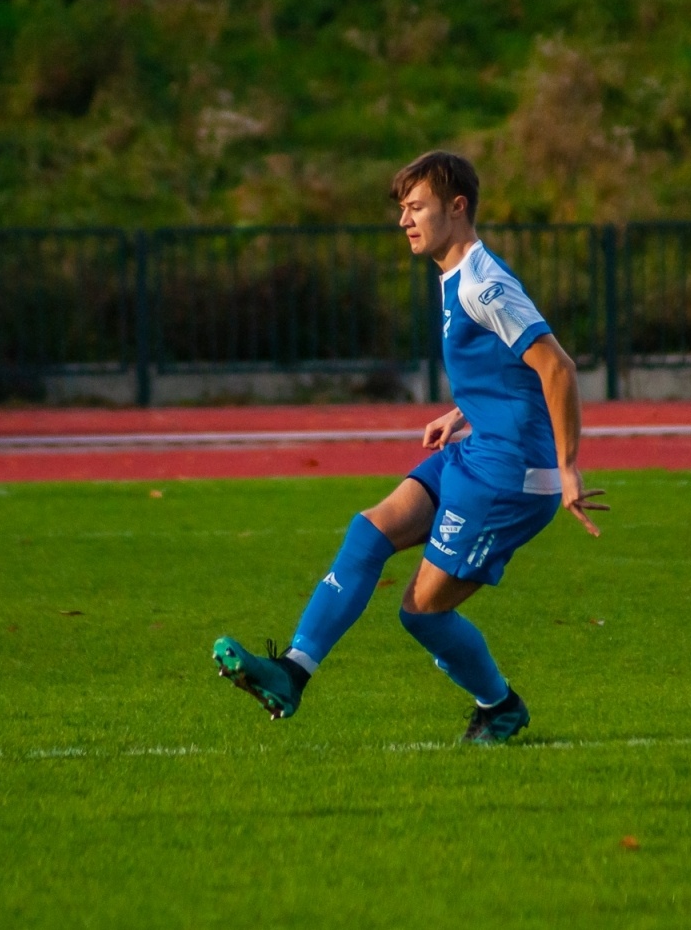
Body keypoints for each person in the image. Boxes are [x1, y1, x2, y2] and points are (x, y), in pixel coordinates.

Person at [212, 151, 607, 744]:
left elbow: (557, 367)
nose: (404, 220)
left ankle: (499, 706)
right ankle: (291, 673)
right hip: (479, 451)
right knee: (368, 531)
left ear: (457, 207)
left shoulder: (484, 286)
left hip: (510, 478)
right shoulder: (459, 276)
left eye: (416, 207)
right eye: (402, 209)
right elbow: (508, 369)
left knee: (422, 613)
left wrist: (568, 465)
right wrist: (463, 412)